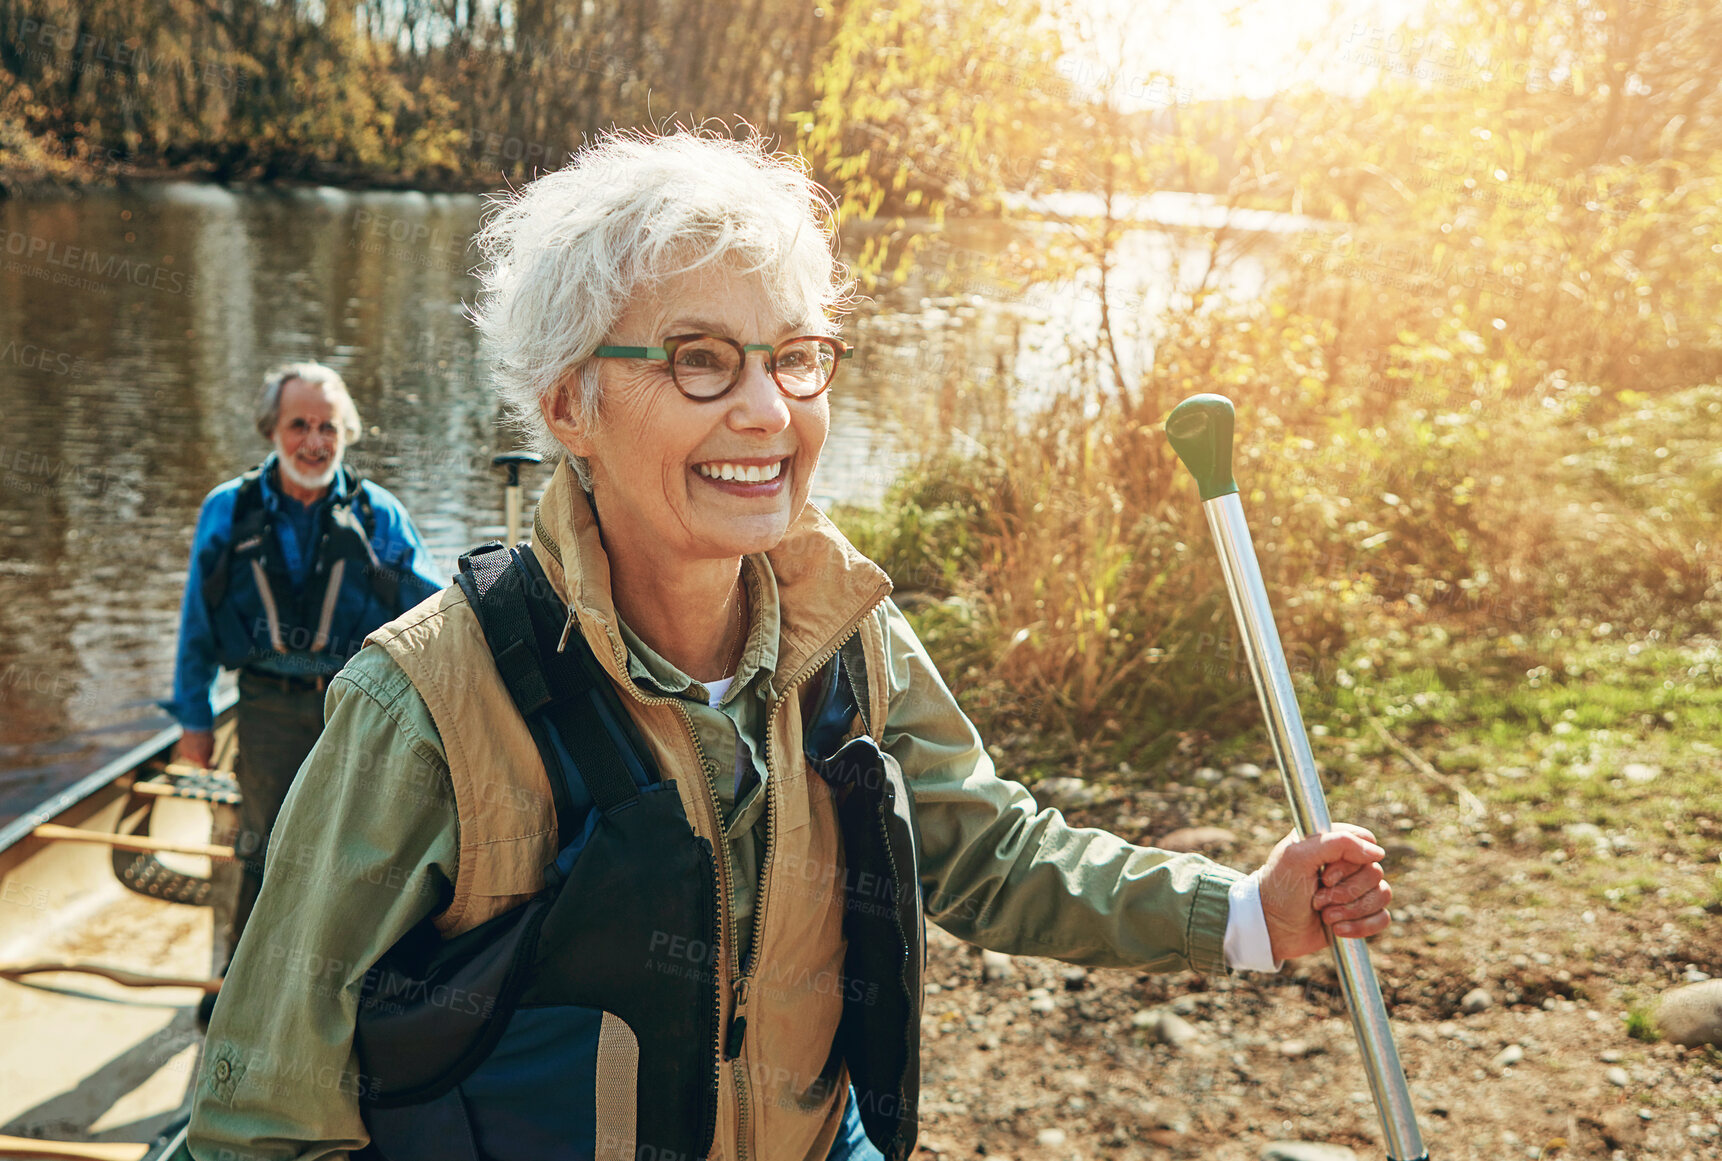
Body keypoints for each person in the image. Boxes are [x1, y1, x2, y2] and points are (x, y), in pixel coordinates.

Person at [178, 133, 1395, 1161]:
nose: (768, 410)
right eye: (700, 359)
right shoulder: (422, 705)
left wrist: (1242, 911)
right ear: (566, 404)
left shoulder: (845, 634)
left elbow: (991, 855)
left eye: (795, 356)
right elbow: (259, 1118)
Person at [164, 362, 443, 941]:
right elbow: (196, 622)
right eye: (299, 425)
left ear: (346, 435)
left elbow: (434, 618)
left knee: (353, 849)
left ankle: (337, 981)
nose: (314, 443)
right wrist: (194, 719)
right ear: (272, 430)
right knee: (262, 848)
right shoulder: (227, 509)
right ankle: (240, 988)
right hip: (265, 709)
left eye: (329, 427)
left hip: (355, 709)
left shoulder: (379, 514)